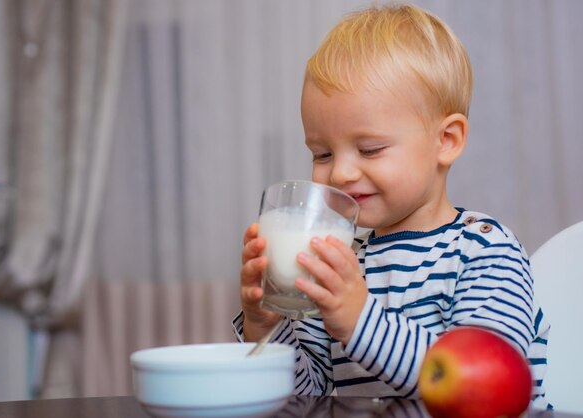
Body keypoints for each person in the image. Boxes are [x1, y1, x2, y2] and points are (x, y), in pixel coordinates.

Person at [233, 2, 550, 408]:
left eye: (370, 149)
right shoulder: (340, 263)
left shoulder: (483, 252)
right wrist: (266, 326)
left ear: (446, 141)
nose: (341, 173)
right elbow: (306, 397)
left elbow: (480, 387)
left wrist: (359, 319)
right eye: (322, 154)